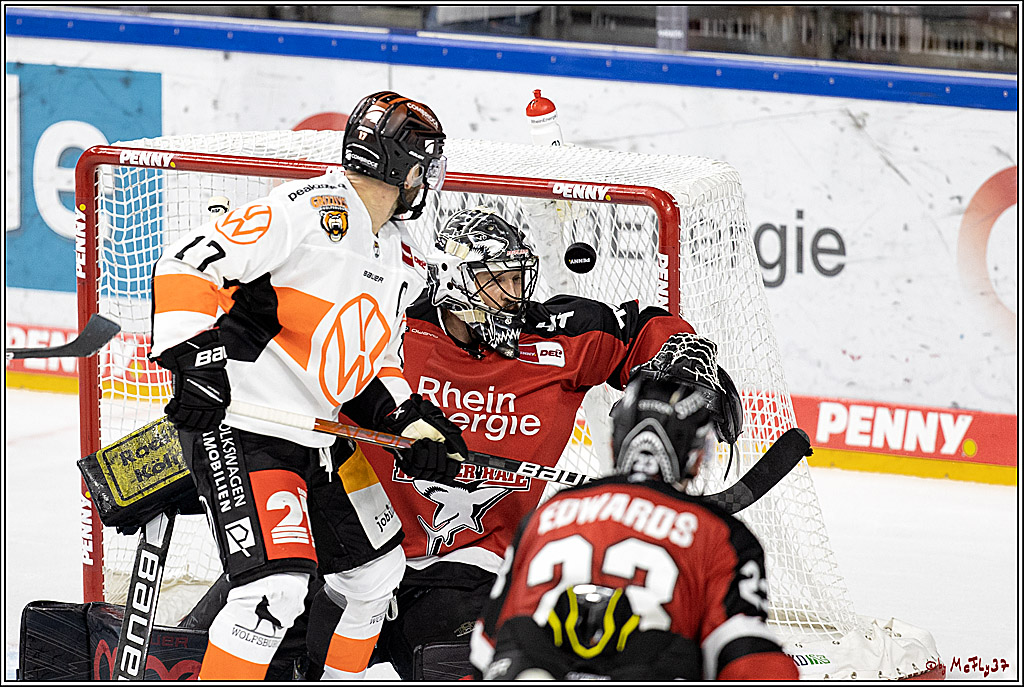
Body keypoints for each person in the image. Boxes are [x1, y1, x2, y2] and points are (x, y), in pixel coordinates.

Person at [304, 207, 745, 680]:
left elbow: (643, 330)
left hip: (467, 566)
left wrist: (683, 369)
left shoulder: (561, 335)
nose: (514, 295)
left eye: (518, 279)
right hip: (350, 552)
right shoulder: (391, 323)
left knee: (462, 666)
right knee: (256, 642)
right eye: (497, 281)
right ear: (453, 278)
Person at [150, 90, 468, 681]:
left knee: (376, 576)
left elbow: (371, 362)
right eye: (425, 167)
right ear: (404, 169)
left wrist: (409, 420)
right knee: (271, 593)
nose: (427, 181)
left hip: (320, 436)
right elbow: (184, 263)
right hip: (245, 427)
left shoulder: (400, 253)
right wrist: (197, 360)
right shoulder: (310, 208)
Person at [469, 373, 801, 680]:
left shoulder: (545, 516)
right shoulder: (722, 534)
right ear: (696, 457)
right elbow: (747, 659)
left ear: (615, 443)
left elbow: (485, 648)